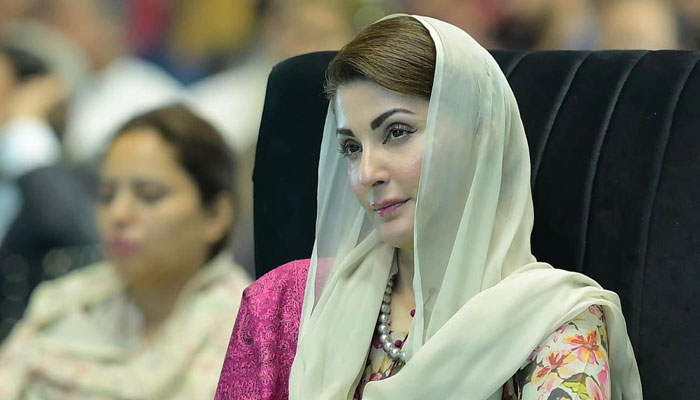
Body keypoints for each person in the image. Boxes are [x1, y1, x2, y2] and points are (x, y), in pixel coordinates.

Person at [215, 15, 642, 400]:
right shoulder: (281, 306)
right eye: (351, 147)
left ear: (482, 136)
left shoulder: (557, 324)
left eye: (397, 132)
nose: (366, 173)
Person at [0, 105, 251, 399]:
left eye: (149, 195)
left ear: (216, 216)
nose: (118, 214)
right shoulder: (63, 304)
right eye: (106, 196)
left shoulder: (251, 335)